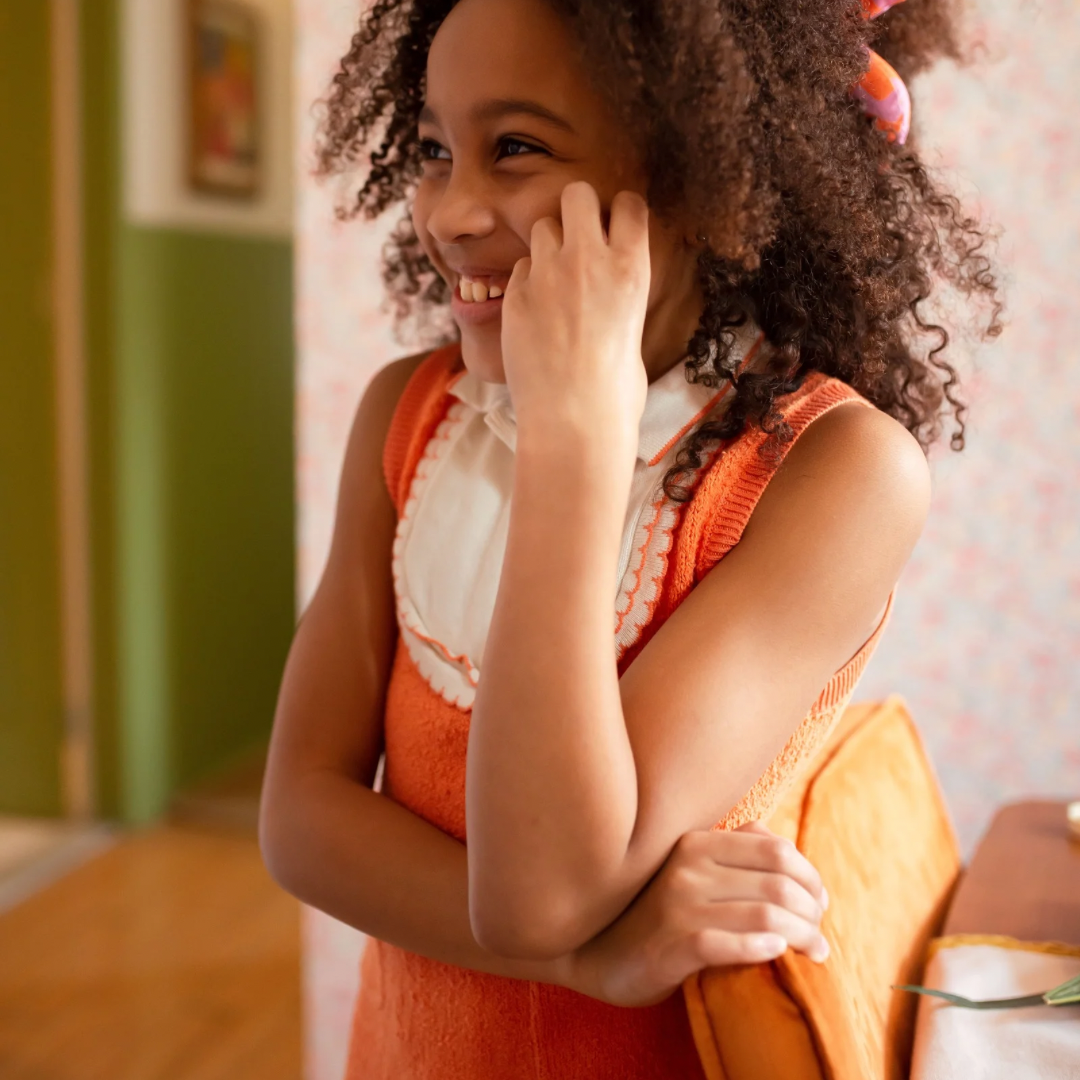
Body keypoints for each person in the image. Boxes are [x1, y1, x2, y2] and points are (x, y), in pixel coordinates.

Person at [259, 0, 1001, 1076]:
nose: (450, 211)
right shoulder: (407, 418)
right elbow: (300, 817)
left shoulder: (835, 472)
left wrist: (575, 438)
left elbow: (544, 890)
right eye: (433, 149)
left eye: (516, 147)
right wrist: (587, 962)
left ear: (699, 181)